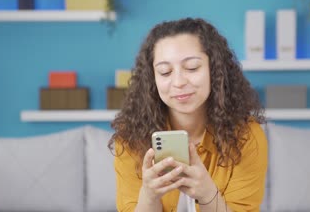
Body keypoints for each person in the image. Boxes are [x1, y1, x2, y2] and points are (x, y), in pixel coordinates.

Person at [109, 17, 268, 211]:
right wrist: (149, 196)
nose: (178, 82)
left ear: (215, 70)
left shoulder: (245, 136)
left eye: (192, 67)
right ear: (153, 79)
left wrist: (208, 194)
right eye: (165, 72)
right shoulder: (130, 139)